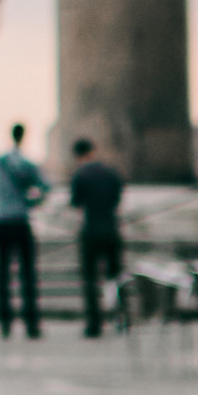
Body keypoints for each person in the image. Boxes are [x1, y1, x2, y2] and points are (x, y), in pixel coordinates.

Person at [0, 123, 49, 340]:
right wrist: (31, 201)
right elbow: (45, 187)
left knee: (2, 274)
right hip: (20, 220)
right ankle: (31, 322)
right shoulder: (27, 164)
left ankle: (5, 322)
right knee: (27, 274)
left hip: (0, 221)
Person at [69, 136, 127, 339]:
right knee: (116, 277)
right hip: (111, 229)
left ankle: (94, 324)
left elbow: (76, 203)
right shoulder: (111, 173)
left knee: (90, 280)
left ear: (78, 155)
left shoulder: (80, 175)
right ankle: (121, 318)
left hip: (90, 231)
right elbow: (118, 198)